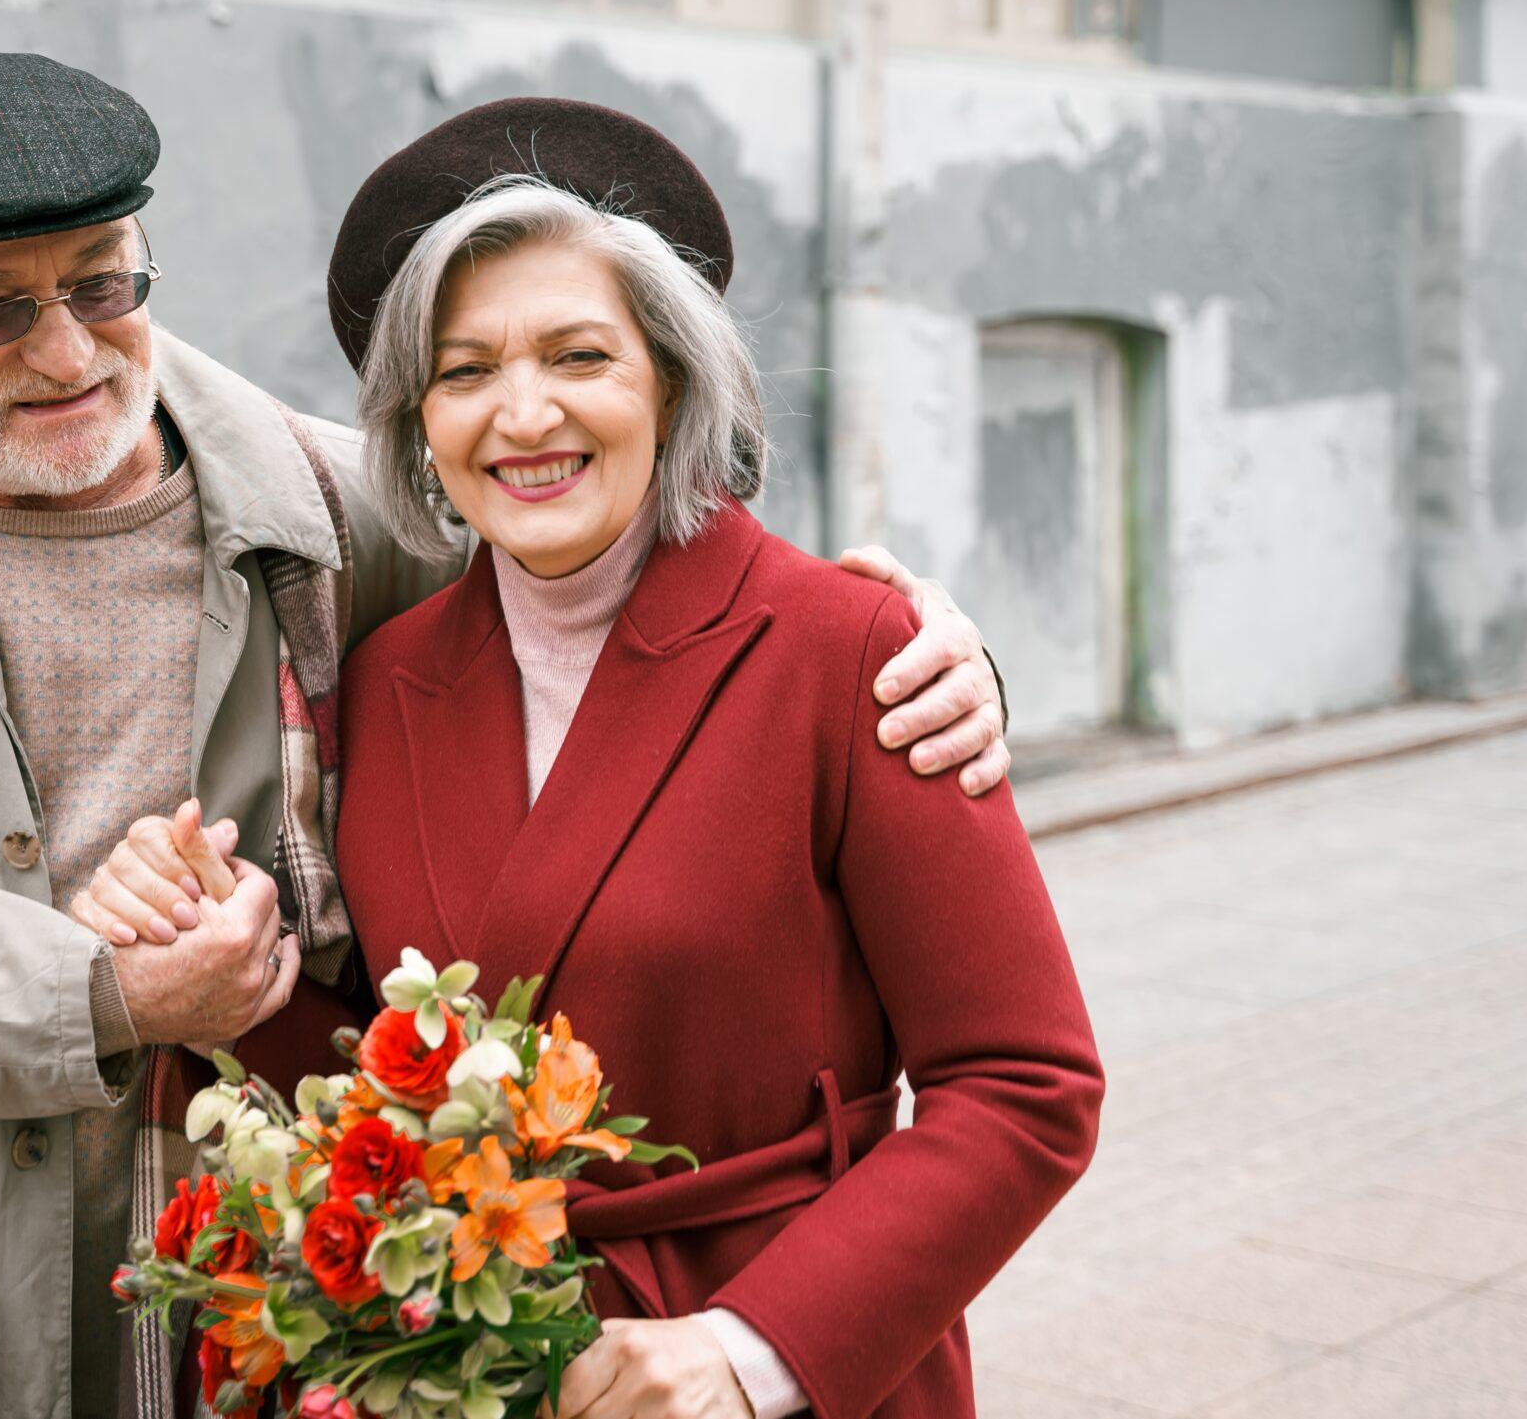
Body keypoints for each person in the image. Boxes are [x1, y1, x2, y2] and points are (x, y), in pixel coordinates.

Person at [0, 50, 1014, 1419]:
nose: (66, 350)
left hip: (270, 1300)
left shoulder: (352, 514)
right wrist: (103, 989)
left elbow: (623, 605)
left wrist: (924, 651)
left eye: (104, 286)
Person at [71, 100, 1100, 1419]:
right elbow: (419, 1054)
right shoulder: (389, 675)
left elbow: (1026, 1081)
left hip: (782, 1368)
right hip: (471, 1360)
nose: (523, 413)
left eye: (578, 354)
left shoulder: (854, 653)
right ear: (420, 424)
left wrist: (753, 1346)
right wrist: (225, 969)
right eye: (464, 370)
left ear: (670, 379)